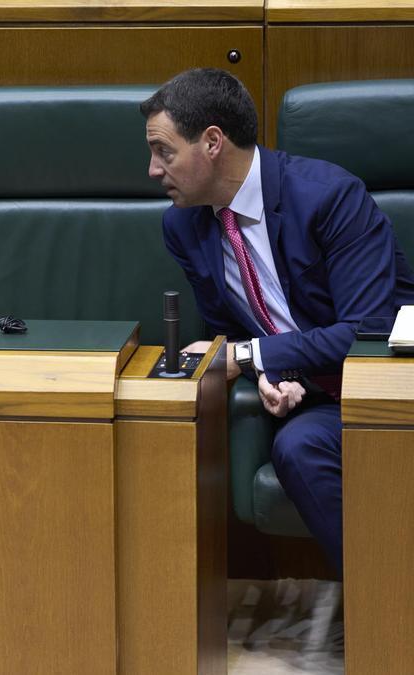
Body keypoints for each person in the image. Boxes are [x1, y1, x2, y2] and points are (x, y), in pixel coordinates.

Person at [141, 68, 414, 574]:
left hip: (390, 385)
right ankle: (386, 602)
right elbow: (232, 330)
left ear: (213, 143)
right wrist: (270, 374)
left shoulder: (330, 197)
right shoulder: (184, 226)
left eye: (164, 151)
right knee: (297, 447)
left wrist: (248, 358)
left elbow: (367, 330)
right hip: (318, 397)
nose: (154, 170)